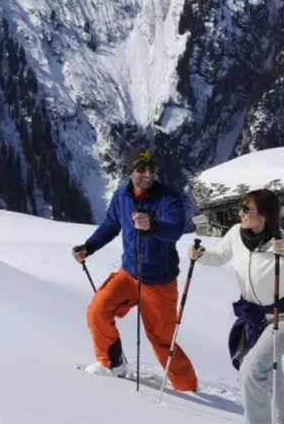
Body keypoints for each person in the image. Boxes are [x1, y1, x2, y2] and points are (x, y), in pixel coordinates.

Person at [189, 189, 284, 424]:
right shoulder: (236, 234)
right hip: (253, 315)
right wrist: (201, 256)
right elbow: (219, 257)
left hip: (282, 315)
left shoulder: (281, 242)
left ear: (264, 215)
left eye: (247, 210)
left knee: (252, 368)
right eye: (241, 208)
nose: (241, 214)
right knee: (269, 368)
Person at [71, 150, 198, 392]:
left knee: (162, 340)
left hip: (160, 281)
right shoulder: (122, 196)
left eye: (152, 169)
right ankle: (112, 364)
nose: (148, 174)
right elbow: (111, 224)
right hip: (129, 274)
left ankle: (187, 387)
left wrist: (153, 225)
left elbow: (175, 230)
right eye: (141, 169)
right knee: (98, 309)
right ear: (130, 171)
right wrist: (89, 247)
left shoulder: (168, 198)